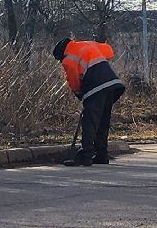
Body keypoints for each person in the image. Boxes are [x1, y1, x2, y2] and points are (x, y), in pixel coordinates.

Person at [53, 38, 125, 167]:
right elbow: (109, 52)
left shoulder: (68, 59)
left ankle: (86, 156)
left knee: (89, 121)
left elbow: (74, 82)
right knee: (102, 121)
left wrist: (80, 94)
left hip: (96, 87)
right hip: (112, 84)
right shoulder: (86, 44)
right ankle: (101, 155)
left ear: (61, 54)